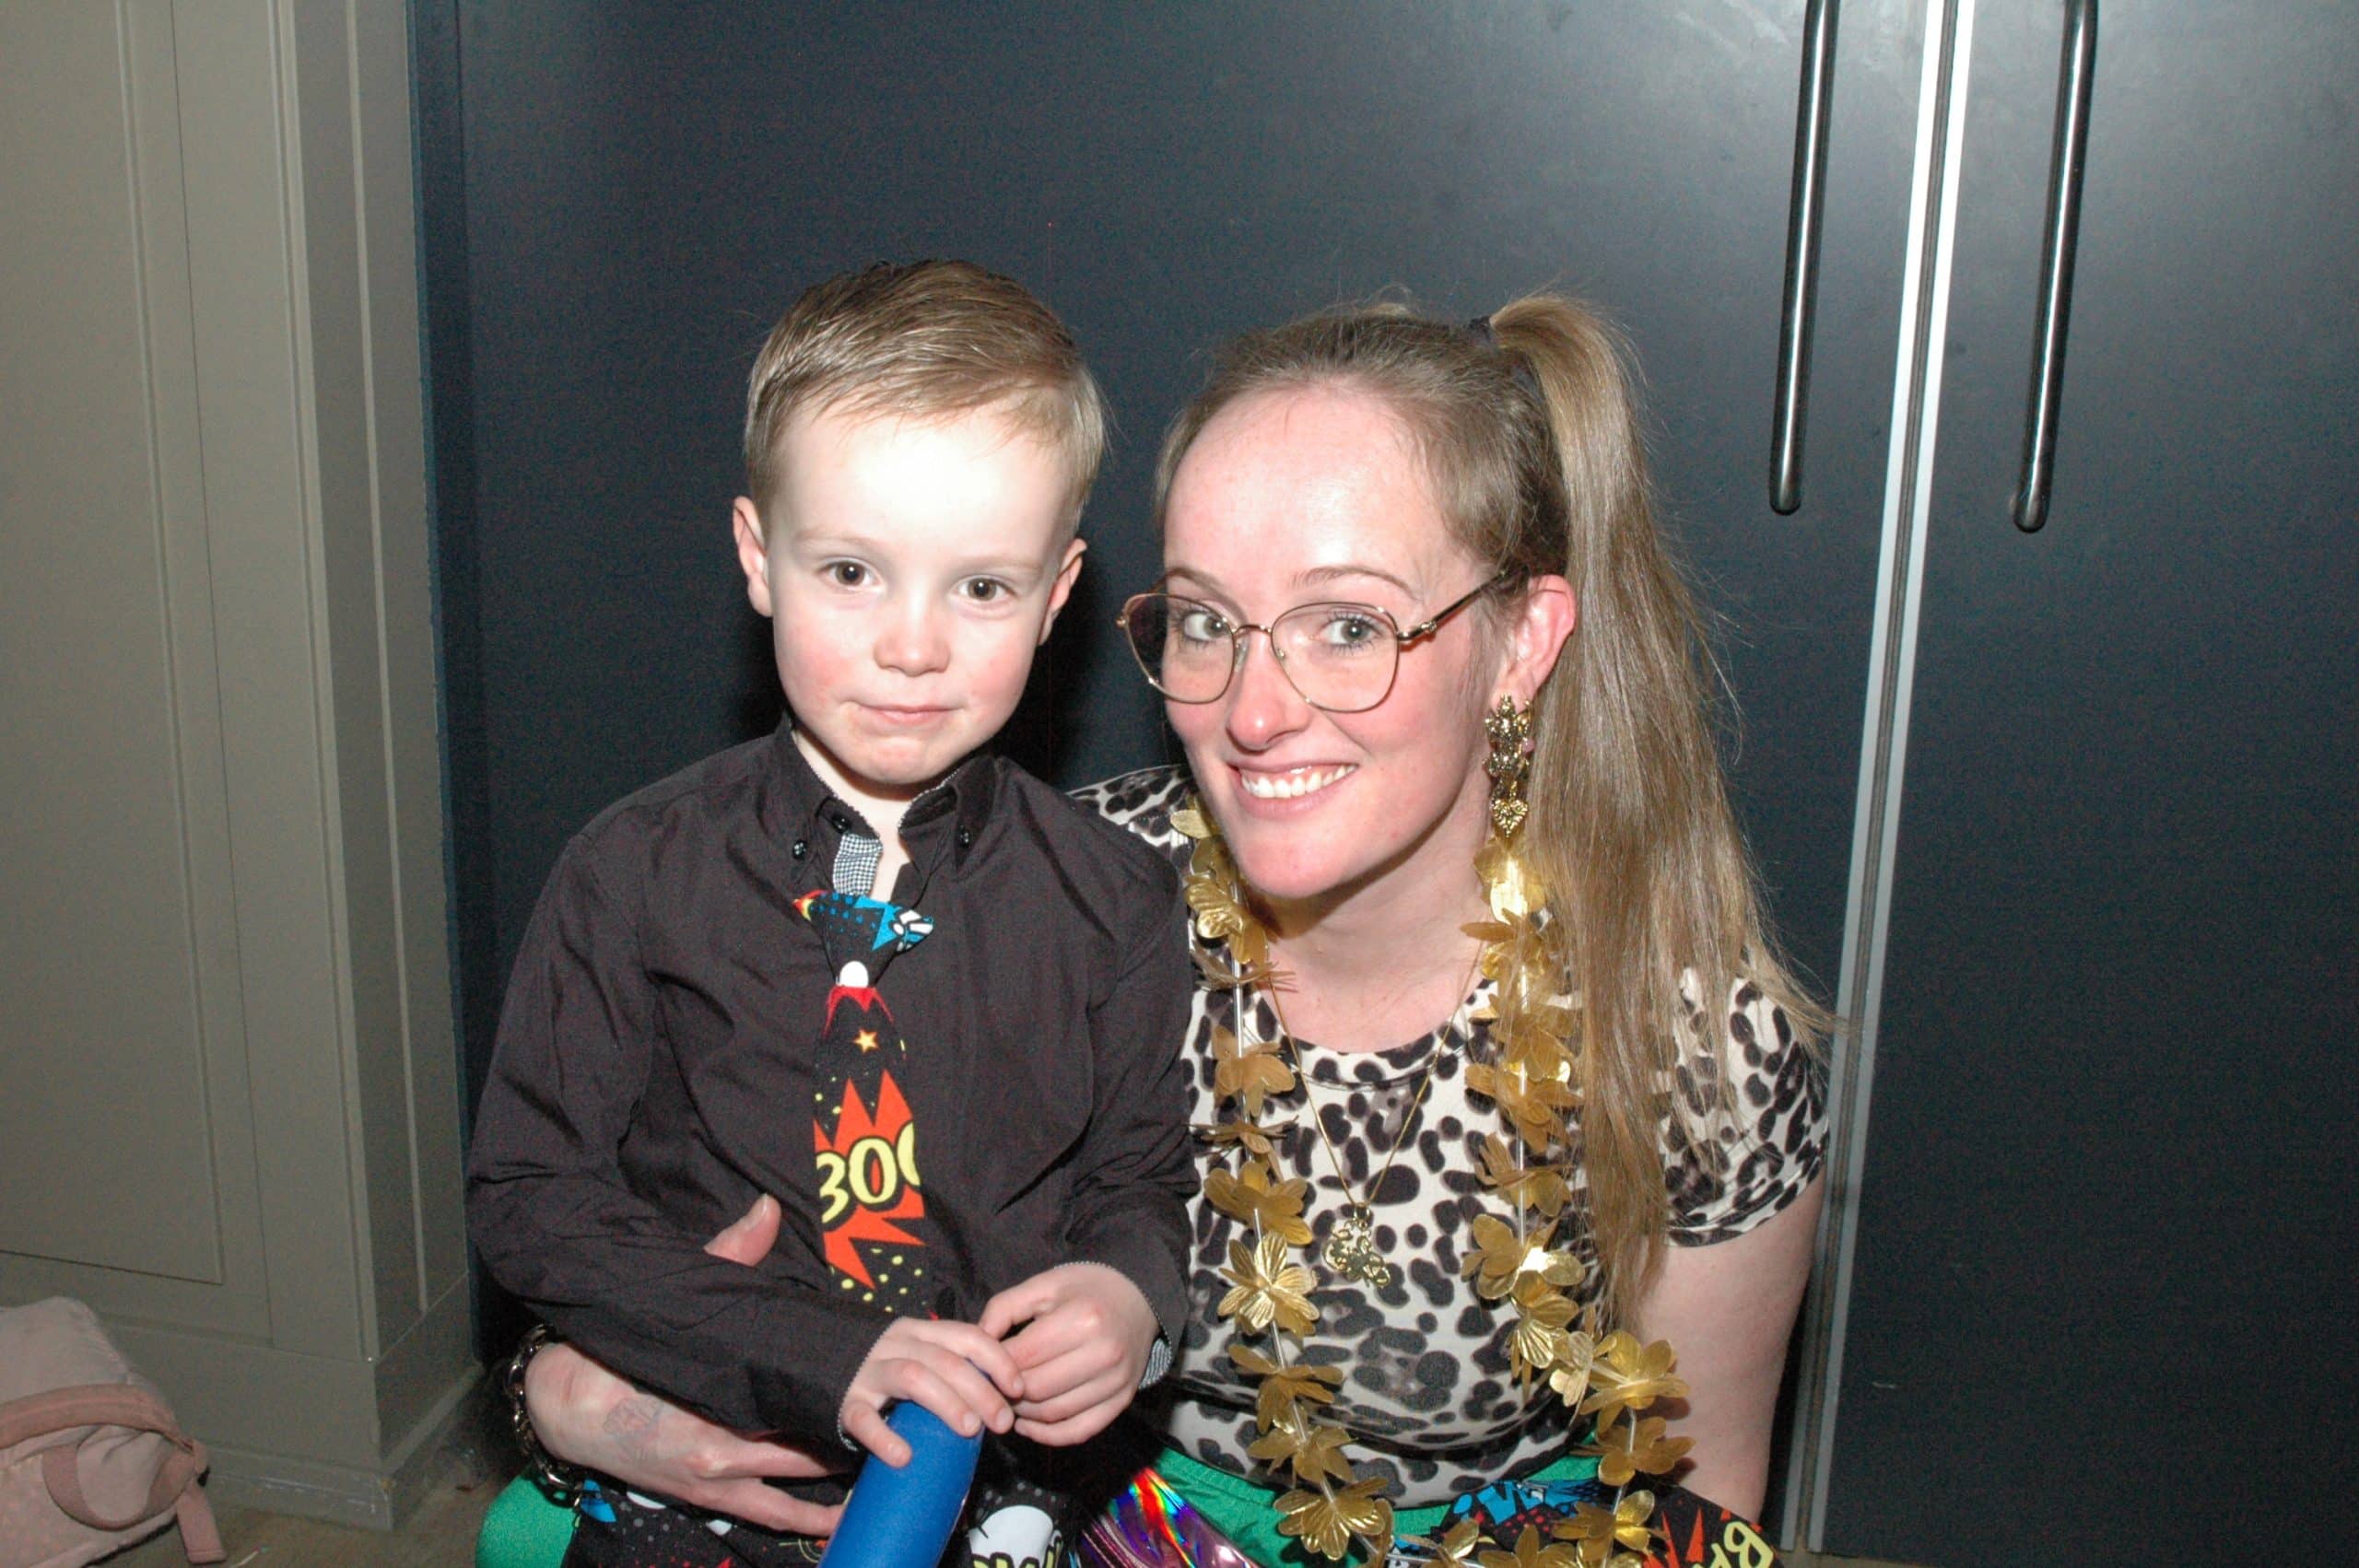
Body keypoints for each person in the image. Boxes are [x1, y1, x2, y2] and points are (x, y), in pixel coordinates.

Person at [485, 291, 1825, 1568]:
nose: (1255, 710)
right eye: (1205, 621)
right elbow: (667, 1204)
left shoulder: (1696, 1041)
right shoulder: (1068, 886)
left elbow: (1696, 1498)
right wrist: (560, 1398)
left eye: (1346, 624)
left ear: (1522, 641)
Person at [466, 260, 1198, 1568]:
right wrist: (802, 1348)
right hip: (705, 1466)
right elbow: (530, 1195)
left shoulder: (1117, 901)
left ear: (1058, 593)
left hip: (1007, 1492)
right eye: (853, 570)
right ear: (760, 559)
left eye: (982, 587)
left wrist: (1127, 1295)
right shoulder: (630, 873)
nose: (913, 645)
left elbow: (1138, 1178)